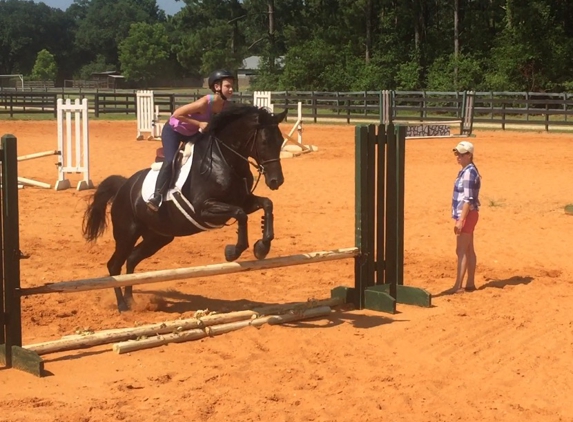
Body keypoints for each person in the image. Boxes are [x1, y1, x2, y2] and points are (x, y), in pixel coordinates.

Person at [146, 69, 235, 212]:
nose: (231, 89)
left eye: (232, 86)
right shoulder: (204, 102)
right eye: (228, 86)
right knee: (170, 160)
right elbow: (176, 114)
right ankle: (157, 196)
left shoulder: (226, 106)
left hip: (192, 134)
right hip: (173, 131)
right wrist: (199, 124)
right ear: (217, 87)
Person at [451, 140, 481, 293]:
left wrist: (461, 219)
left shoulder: (468, 172)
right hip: (470, 214)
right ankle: (469, 283)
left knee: (461, 250)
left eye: (461, 154)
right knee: (468, 249)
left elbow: (468, 199)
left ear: (469, 155)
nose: (458, 157)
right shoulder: (469, 170)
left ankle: (458, 286)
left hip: (467, 214)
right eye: (457, 154)